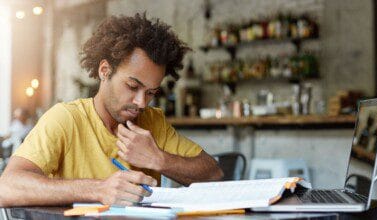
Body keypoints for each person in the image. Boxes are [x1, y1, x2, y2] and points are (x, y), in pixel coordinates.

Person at [0, 13, 223, 207]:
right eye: (133, 86)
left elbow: (214, 175)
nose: (142, 103)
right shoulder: (66, 119)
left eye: (151, 92)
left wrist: (159, 160)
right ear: (105, 71)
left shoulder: (153, 123)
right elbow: (7, 187)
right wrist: (98, 189)